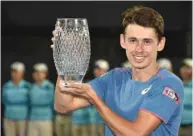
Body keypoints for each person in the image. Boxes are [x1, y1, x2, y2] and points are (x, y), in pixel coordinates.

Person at [53, 6, 184, 136]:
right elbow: (64, 106)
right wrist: (65, 58)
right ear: (123, 41)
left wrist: (97, 101)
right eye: (133, 40)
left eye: (147, 42)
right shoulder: (114, 77)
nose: (139, 49)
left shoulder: (169, 83)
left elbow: (135, 134)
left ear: (160, 43)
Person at [2, 62, 31, 136]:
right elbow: (3, 101)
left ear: (22, 73)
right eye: (12, 71)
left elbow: (31, 102)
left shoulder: (27, 86)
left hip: (23, 118)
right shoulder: (6, 86)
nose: (14, 74)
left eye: (16, 72)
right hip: (8, 118)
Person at [28, 63, 55, 136]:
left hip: (45, 119)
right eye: (35, 72)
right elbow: (30, 102)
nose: (37, 74)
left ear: (45, 74)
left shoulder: (49, 86)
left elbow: (49, 102)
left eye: (39, 72)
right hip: (33, 118)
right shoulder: (31, 87)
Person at [88, 59, 109, 136]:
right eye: (96, 69)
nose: (96, 71)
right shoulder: (91, 84)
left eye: (99, 69)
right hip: (92, 120)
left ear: (105, 70)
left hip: (105, 121)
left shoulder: (111, 84)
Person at [179, 58, 192, 136]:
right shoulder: (177, 85)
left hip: (190, 127)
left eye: (188, 67)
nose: (185, 70)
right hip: (177, 127)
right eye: (183, 67)